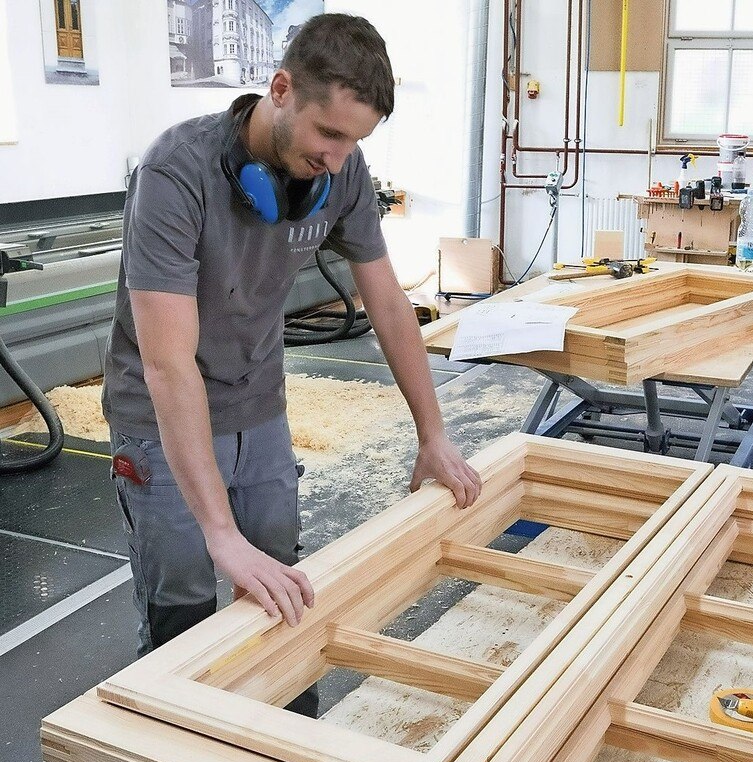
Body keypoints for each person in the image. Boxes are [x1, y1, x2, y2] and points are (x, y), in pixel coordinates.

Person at [102, 14, 481, 717]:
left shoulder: (341, 172)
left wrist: (432, 435)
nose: (338, 160)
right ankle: (181, 760)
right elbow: (167, 367)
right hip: (162, 421)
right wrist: (217, 530)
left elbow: (392, 308)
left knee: (280, 588)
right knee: (183, 602)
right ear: (280, 90)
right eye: (328, 135)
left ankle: (285, 749)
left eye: (355, 142)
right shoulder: (175, 172)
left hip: (260, 410)